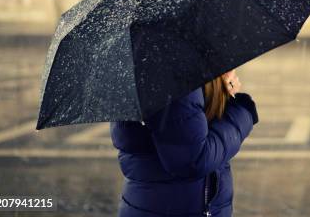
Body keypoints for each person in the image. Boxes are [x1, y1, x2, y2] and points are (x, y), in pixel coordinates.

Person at [110, 69, 258, 216]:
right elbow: (193, 160)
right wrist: (242, 111)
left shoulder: (136, 64)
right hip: (176, 206)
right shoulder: (175, 70)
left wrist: (222, 95)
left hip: (148, 202)